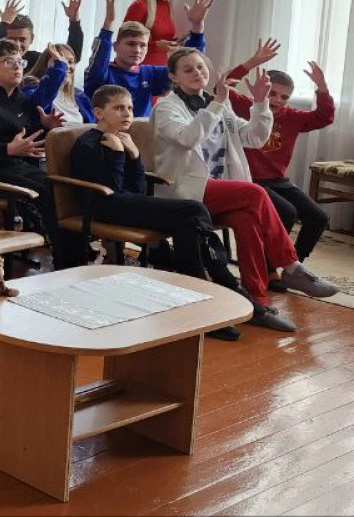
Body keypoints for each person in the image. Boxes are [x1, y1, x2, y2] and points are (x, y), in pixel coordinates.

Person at [152, 48, 338, 332]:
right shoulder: (167, 108)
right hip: (185, 192)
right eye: (188, 69)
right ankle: (291, 267)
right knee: (255, 193)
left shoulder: (218, 104)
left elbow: (254, 138)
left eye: (201, 67)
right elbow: (188, 138)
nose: (197, 73)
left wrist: (261, 103)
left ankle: (257, 301)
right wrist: (217, 103)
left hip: (217, 190)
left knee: (247, 219)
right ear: (173, 77)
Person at [71, 86, 245, 328]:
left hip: (127, 203)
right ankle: (221, 283)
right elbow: (110, 190)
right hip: (103, 207)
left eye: (130, 108)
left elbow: (137, 188)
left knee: (189, 224)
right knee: (193, 210)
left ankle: (195, 297)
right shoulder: (88, 143)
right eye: (119, 108)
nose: (127, 114)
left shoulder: (123, 138)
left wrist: (133, 155)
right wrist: (119, 154)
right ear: (99, 112)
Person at [0, 40, 79, 262]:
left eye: (20, 62)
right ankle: (64, 260)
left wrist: (46, 126)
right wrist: (7, 149)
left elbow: (26, 136)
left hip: (16, 165)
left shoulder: (20, 97)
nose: (18, 67)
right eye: (9, 62)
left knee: (61, 187)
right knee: (44, 192)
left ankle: (75, 257)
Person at [227, 57, 335, 265]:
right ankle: (267, 266)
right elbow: (222, 87)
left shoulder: (293, 117)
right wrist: (250, 63)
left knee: (318, 218)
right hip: (249, 179)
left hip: (277, 180)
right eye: (272, 94)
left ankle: (294, 265)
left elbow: (325, 117)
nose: (277, 100)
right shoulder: (245, 107)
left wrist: (321, 87)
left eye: (284, 97)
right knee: (287, 212)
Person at [83, 0, 208, 117]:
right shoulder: (103, 73)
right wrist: (108, 24)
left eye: (143, 45)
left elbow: (189, 62)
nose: (137, 50)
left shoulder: (150, 73)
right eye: (131, 44)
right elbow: (98, 60)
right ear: (116, 47)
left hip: (142, 129)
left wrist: (197, 26)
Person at [123, 0, 208, 67]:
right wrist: (157, 45)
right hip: (141, 68)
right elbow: (125, 40)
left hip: (163, 66)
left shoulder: (166, 5)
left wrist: (176, 42)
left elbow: (161, 39)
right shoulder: (140, 6)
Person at [0, 0, 86, 69]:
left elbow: (70, 57)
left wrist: (74, 22)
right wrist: (4, 23)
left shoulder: (37, 61)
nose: (17, 44)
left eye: (22, 39)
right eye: (11, 39)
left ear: (32, 39)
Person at [30, 43, 92, 126]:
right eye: (60, 61)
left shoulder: (80, 96)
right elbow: (38, 105)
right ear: (45, 64)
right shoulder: (31, 87)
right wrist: (59, 68)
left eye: (70, 62)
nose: (66, 66)